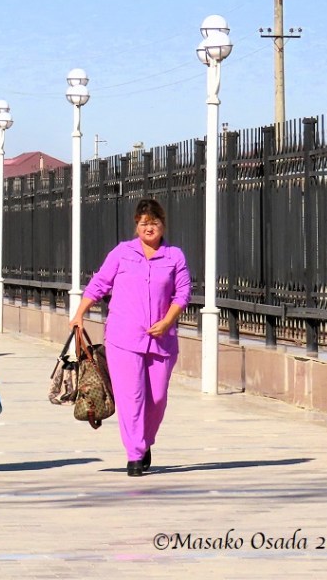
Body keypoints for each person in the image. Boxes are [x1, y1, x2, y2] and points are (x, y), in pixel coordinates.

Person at [68, 197, 191, 477]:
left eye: (155, 222)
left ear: (163, 224)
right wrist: (80, 313)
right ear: (137, 225)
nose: (149, 228)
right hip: (123, 338)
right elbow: (99, 283)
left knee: (157, 398)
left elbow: (182, 293)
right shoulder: (122, 253)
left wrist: (167, 321)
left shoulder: (175, 256)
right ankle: (134, 453)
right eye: (144, 223)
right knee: (131, 397)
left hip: (162, 340)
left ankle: (145, 441)